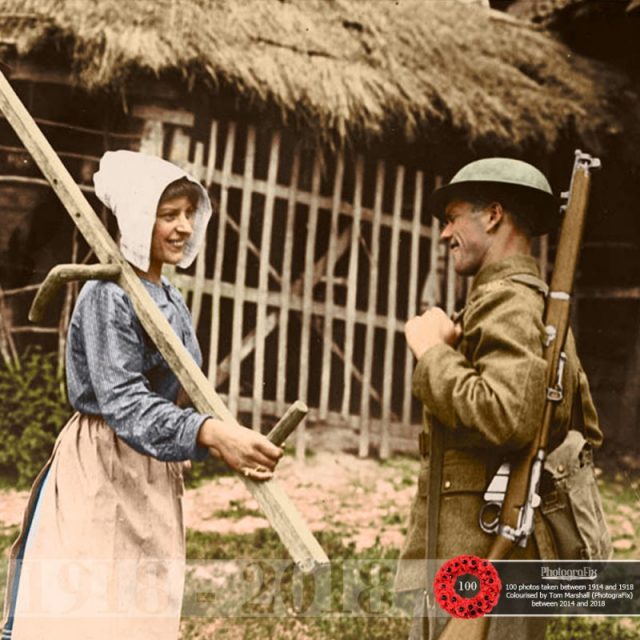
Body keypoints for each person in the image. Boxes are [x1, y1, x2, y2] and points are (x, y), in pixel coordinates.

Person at [1, 150, 283, 640]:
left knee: (143, 606)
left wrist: (225, 440)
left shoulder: (170, 296)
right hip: (104, 464)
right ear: (134, 216)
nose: (183, 227)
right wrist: (209, 433)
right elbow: (125, 403)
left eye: (189, 214)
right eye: (167, 214)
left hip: (150, 471)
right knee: (92, 607)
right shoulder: (106, 292)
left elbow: (184, 393)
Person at [395, 158, 610, 639]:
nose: (445, 232)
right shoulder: (522, 302)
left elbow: (507, 414)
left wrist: (431, 353)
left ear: (492, 215)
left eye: (453, 217)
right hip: (485, 551)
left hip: (486, 552)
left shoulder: (508, 300)